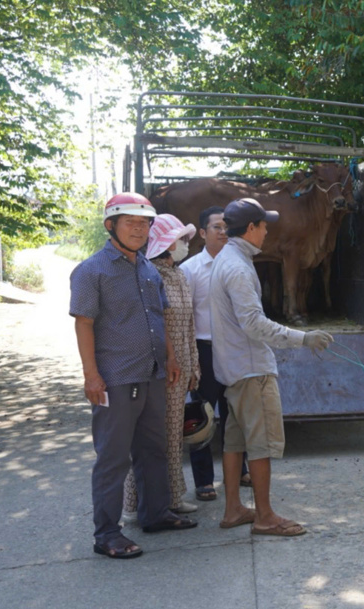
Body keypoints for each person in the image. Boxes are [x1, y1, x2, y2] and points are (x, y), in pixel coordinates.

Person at [69, 193, 198, 560]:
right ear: (111, 225)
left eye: (144, 224)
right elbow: (84, 324)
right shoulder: (91, 271)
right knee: (113, 459)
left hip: (154, 373)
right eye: (130, 222)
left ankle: (155, 513)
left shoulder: (146, 268)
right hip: (115, 379)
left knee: (153, 449)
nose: (139, 230)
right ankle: (107, 533)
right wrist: (91, 376)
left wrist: (171, 358)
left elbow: (159, 317)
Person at [209, 197, 334, 536]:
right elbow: (254, 324)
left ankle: (234, 509)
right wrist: (302, 338)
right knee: (261, 444)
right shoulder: (236, 267)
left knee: (235, 442)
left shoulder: (228, 259)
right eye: (264, 225)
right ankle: (265, 516)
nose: (268, 231)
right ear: (250, 228)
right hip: (250, 370)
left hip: (233, 368)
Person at [122, 214, 201, 518]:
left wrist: (193, 365)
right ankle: (133, 504)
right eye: (181, 240)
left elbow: (189, 326)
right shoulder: (147, 275)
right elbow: (148, 326)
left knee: (172, 437)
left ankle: (172, 498)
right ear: (166, 244)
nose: (185, 245)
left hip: (180, 371)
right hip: (158, 371)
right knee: (150, 439)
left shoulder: (178, 276)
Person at [181, 206, 251, 501]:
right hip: (204, 351)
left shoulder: (241, 264)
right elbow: (184, 320)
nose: (223, 232)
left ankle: (242, 469)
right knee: (202, 417)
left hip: (234, 350)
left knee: (236, 413)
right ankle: (204, 480)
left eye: (227, 227)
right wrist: (189, 360)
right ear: (202, 233)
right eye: (217, 227)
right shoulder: (189, 270)